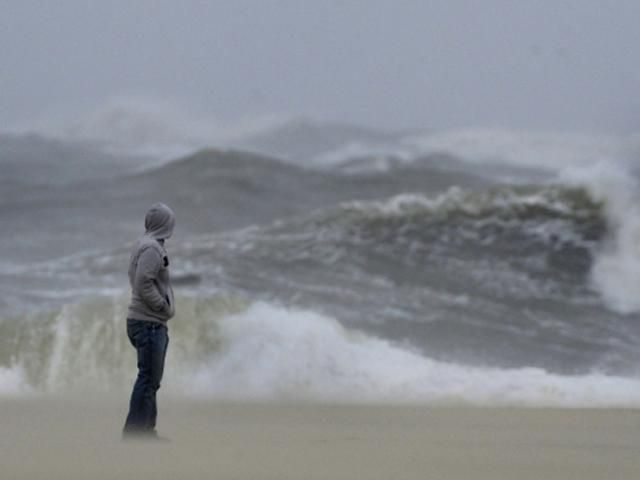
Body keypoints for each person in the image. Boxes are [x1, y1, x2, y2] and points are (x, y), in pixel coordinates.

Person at [123, 203, 176, 439]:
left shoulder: (141, 244)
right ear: (166, 224)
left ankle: (146, 430)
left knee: (150, 380)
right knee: (147, 380)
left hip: (141, 320)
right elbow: (143, 281)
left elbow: (133, 277)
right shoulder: (153, 249)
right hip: (149, 323)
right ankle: (134, 433)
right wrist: (161, 306)